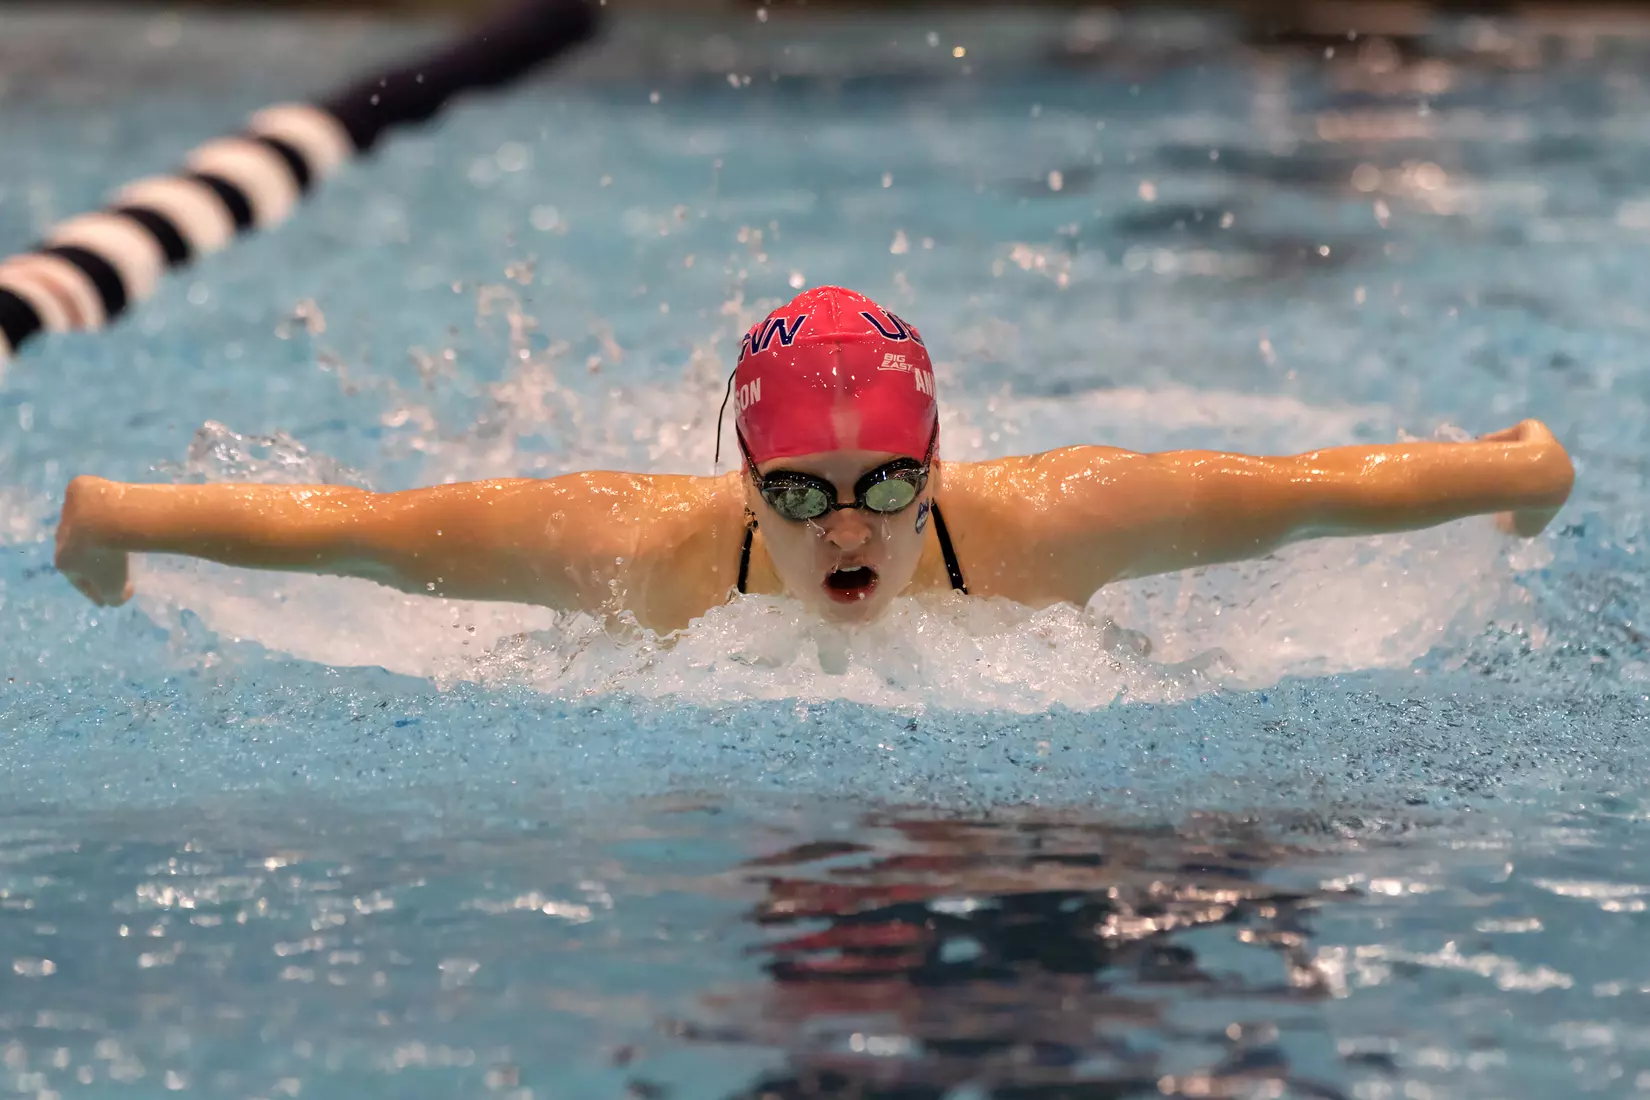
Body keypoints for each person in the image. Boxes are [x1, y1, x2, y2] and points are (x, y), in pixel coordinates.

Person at [54, 286, 1574, 634]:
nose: (848, 532)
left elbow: (1313, 491)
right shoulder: (625, 548)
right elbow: (361, 531)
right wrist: (113, 519)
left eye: (887, 488)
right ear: (741, 485)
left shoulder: (1056, 523)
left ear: (940, 466)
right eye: (798, 494)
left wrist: (1521, 473)